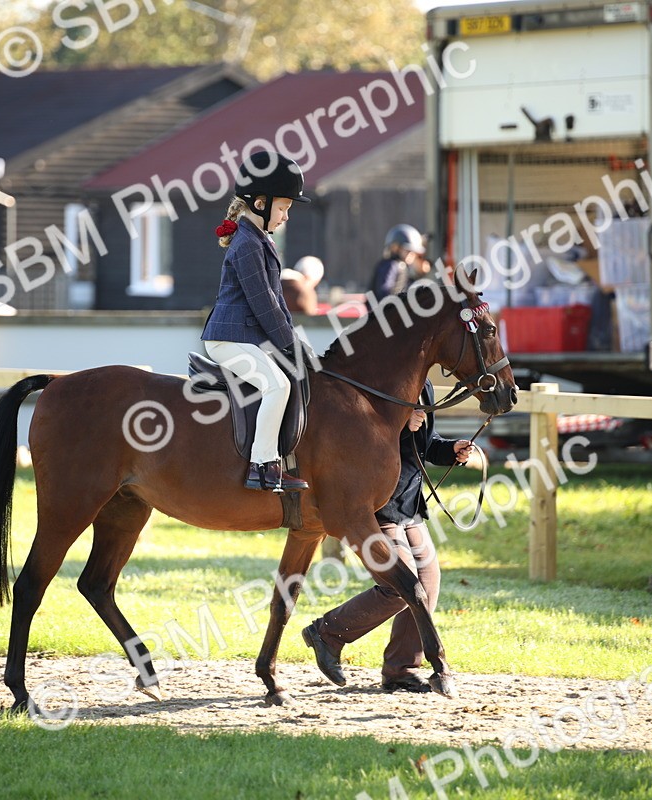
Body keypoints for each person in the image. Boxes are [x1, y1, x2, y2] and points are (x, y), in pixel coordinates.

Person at [302, 380, 473, 692]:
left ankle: (401, 670)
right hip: (376, 503)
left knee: (428, 582)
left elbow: (425, 444)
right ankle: (327, 633)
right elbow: (357, 438)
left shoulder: (425, 386)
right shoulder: (378, 380)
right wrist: (400, 422)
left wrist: (450, 450)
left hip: (409, 503)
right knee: (400, 585)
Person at [202, 150, 312, 493]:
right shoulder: (247, 243)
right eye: (283, 208)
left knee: (292, 375)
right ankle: (262, 465)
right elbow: (263, 304)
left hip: (246, 337)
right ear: (260, 203)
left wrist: (296, 342)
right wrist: (289, 346)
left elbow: (278, 302)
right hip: (227, 339)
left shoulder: (259, 239)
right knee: (277, 384)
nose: (286, 217)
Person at [369, 224, 429, 302]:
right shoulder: (392, 265)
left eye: (413, 252)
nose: (412, 255)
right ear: (396, 248)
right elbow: (384, 291)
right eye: (408, 251)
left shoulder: (403, 267)